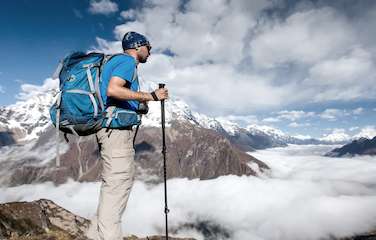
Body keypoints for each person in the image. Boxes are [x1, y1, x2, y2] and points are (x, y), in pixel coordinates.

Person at [86, 31, 169, 240]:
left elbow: (115, 94)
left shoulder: (115, 62)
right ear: (138, 46)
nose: (150, 52)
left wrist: (137, 105)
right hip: (116, 134)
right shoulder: (127, 62)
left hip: (109, 131)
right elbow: (114, 90)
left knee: (111, 188)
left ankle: (96, 235)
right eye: (148, 47)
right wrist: (150, 96)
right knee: (117, 187)